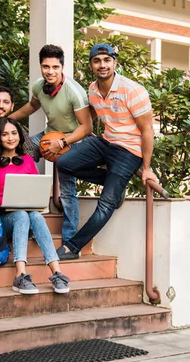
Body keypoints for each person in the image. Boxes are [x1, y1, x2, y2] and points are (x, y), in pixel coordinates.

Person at [55, 44, 157, 260]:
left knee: (106, 204)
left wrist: (146, 169)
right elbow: (92, 112)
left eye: (106, 60)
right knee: (64, 163)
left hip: (129, 150)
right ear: (91, 65)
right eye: (97, 61)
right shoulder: (93, 89)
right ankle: (115, 185)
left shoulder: (133, 91)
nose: (102, 65)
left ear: (114, 63)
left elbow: (147, 130)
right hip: (106, 141)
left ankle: (73, 247)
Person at [0, 117, 70, 294]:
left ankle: (57, 272)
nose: (10, 138)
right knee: (21, 215)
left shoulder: (27, 161)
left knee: (34, 215)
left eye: (14, 133)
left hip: (27, 216)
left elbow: (35, 190)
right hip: (0, 219)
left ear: (19, 136)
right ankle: (20, 275)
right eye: (5, 134)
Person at [10, 44, 93, 244]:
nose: (50, 71)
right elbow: (32, 106)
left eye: (55, 67)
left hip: (73, 140)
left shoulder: (75, 92)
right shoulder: (39, 86)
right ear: (41, 66)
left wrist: (62, 142)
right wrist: (7, 120)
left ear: (62, 67)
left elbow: (86, 127)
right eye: (46, 67)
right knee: (19, 156)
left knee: (67, 189)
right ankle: (21, 218)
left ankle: (70, 241)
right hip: (49, 135)